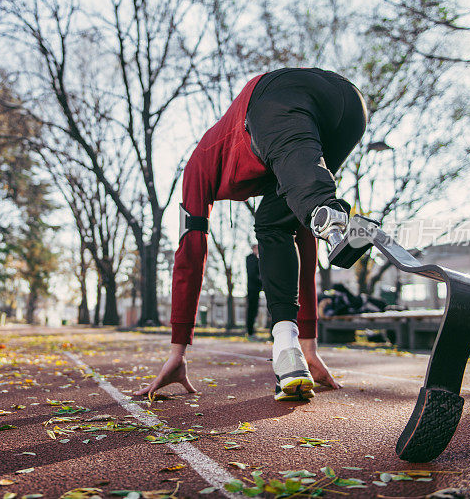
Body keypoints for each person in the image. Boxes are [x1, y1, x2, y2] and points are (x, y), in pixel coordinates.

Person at [135, 68, 367, 401]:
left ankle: (331, 216)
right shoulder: (277, 167)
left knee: (304, 207)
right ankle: (289, 350)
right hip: (349, 110)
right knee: (275, 222)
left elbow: (190, 253)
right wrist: (308, 342)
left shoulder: (198, 165)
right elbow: (303, 244)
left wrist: (178, 348)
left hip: (270, 98)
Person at [245, 244, 262, 338]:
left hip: (257, 287)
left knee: (254, 310)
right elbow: (252, 274)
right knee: (252, 309)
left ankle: (251, 331)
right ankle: (250, 331)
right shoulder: (251, 258)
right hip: (253, 288)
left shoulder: (257, 259)